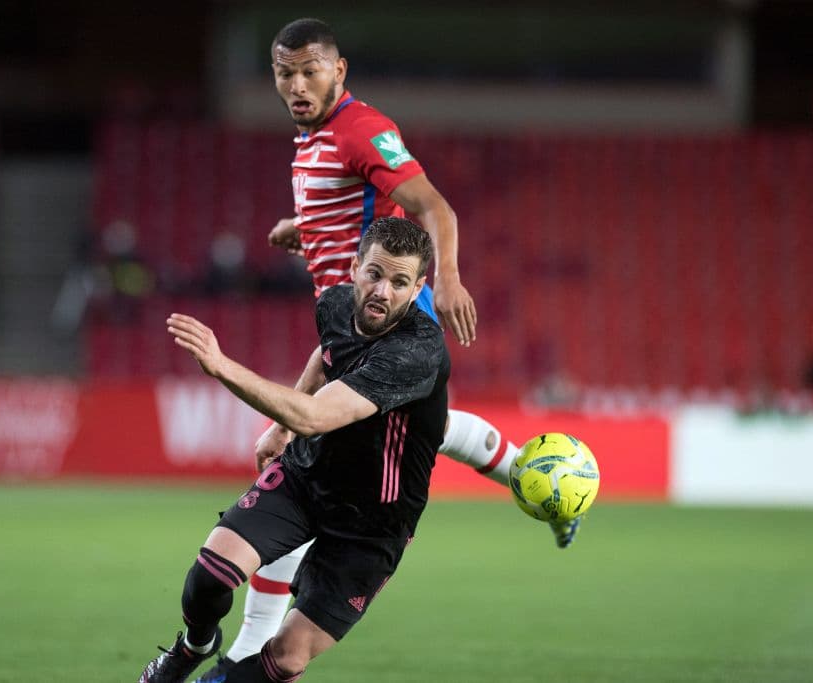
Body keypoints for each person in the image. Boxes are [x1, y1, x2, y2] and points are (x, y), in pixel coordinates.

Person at [194, 17, 581, 682]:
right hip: (344, 327)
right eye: (284, 73)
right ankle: (535, 482)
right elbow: (354, 205)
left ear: (339, 70)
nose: (296, 83)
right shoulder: (313, 139)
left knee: (318, 454)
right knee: (346, 449)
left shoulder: (361, 128)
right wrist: (307, 227)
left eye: (310, 69)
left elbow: (433, 207)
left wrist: (449, 277)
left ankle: (240, 652)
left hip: (390, 325)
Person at [138, 217, 450, 682]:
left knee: (287, 657)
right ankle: (191, 647)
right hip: (308, 477)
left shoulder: (416, 352)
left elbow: (313, 417)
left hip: (372, 524)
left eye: (400, 282)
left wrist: (223, 368)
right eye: (375, 274)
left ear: (418, 286)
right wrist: (280, 433)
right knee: (209, 576)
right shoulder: (335, 304)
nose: (383, 291)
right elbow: (327, 355)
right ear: (354, 268)